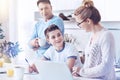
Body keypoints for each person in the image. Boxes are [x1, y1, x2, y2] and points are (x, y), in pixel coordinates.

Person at [73, 0, 116, 80]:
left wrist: (82, 72)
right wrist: (80, 73)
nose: (79, 26)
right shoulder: (92, 36)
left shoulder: (106, 35)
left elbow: (106, 66)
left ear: (88, 21)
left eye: (79, 24)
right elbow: (89, 65)